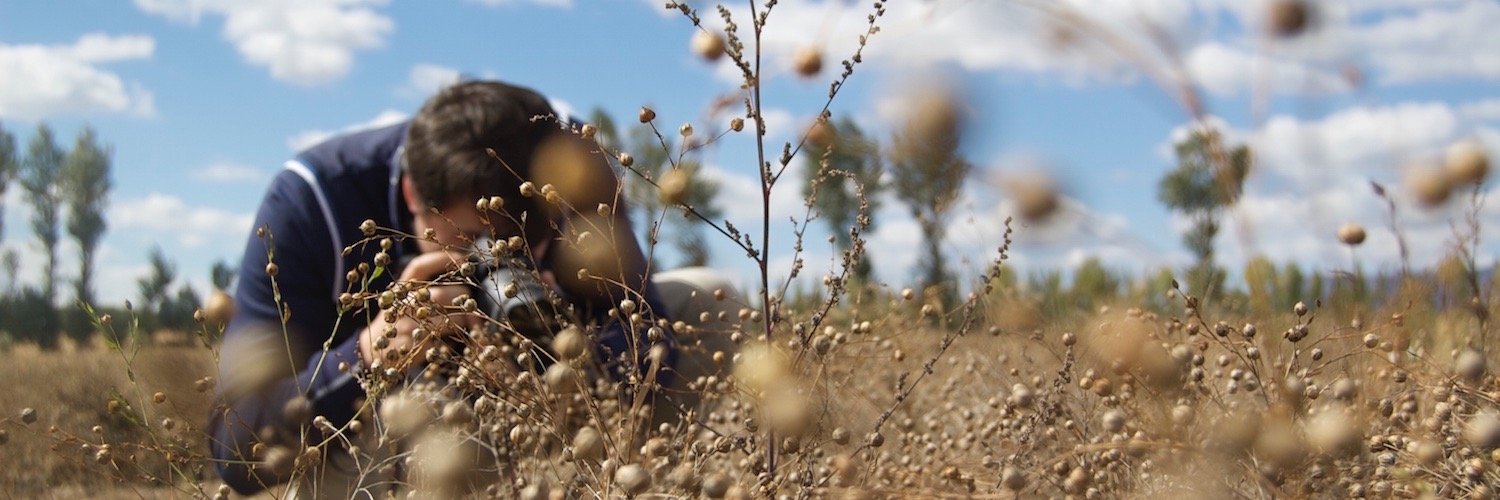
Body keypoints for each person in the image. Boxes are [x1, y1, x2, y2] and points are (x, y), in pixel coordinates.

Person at [207, 80, 726, 495]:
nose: (499, 259)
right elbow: (235, 453)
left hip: (549, 429)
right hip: (384, 443)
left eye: (526, 243)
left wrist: (565, 358)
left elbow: (655, 331)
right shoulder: (312, 199)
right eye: (475, 241)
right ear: (412, 192)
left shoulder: (574, 178)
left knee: (703, 298)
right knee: (425, 405)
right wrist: (368, 354)